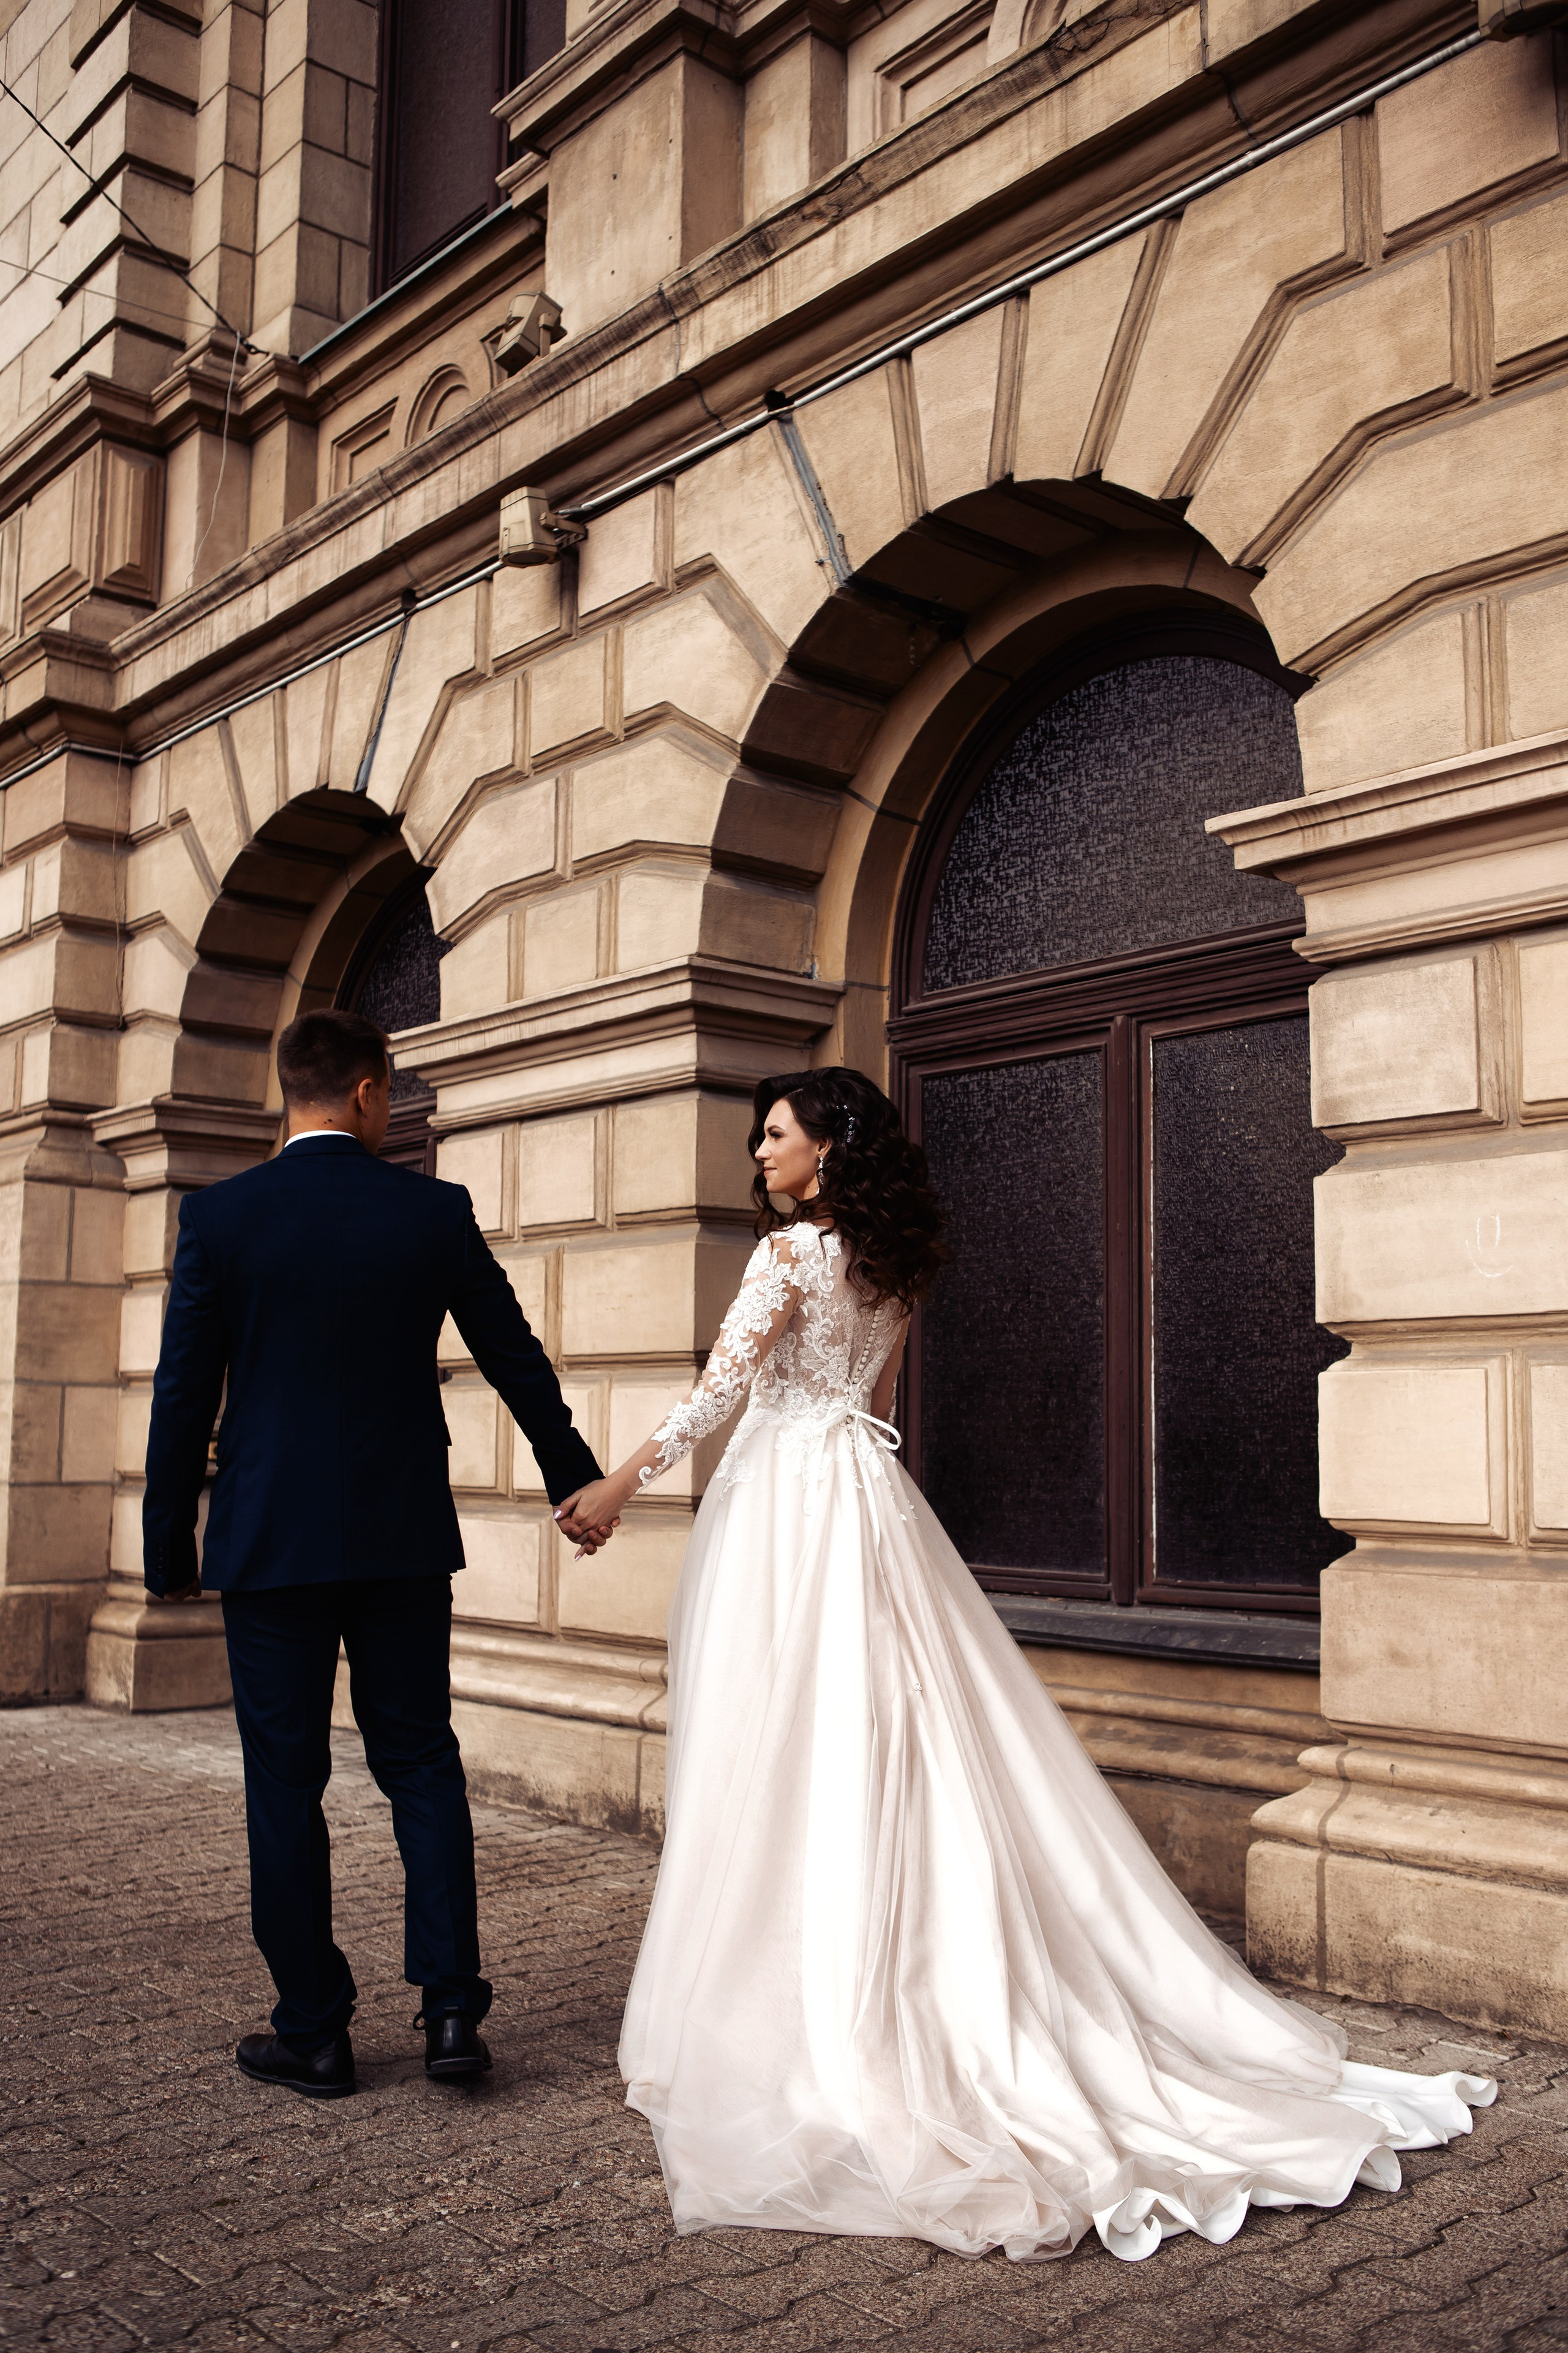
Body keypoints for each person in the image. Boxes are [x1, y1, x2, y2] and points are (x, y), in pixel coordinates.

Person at [556, 1065, 1494, 2263]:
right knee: (882, 1734)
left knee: (784, 1736)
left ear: (828, 1147)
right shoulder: (893, 1265)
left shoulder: (787, 1257)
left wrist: (621, 1480)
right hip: (864, 1500)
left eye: (774, 1136)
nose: (758, 1155)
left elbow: (722, 1391)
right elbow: (873, 1395)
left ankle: (807, 2007)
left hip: (788, 1504)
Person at [143, 1008, 612, 2101]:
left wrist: (171, 1545)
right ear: (366, 1092)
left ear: (286, 1091)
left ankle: (313, 2028)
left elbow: (182, 1393)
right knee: (420, 1761)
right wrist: (569, 1475)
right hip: (400, 1534)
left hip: (268, 1542)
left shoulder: (221, 1218)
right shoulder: (431, 1208)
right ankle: (451, 2009)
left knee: (285, 1781)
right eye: (390, 1092)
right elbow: (514, 1354)